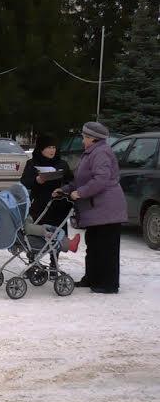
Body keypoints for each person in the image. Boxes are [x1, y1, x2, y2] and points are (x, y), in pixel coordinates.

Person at [53, 122, 127, 294]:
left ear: (93, 138)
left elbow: (101, 180)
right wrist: (65, 190)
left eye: (84, 137)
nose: (82, 140)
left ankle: (108, 284)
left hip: (107, 208)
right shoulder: (91, 153)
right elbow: (81, 179)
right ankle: (92, 278)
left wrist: (80, 193)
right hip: (96, 208)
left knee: (106, 248)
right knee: (93, 245)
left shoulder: (101, 153)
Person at [20, 133, 76, 275]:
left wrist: (63, 189)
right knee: (36, 234)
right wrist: (37, 180)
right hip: (39, 205)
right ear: (41, 148)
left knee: (56, 234)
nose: (52, 150)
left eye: (54, 147)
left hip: (58, 205)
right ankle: (33, 263)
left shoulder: (62, 164)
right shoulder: (32, 163)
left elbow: (71, 181)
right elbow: (24, 182)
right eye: (48, 147)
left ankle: (54, 263)